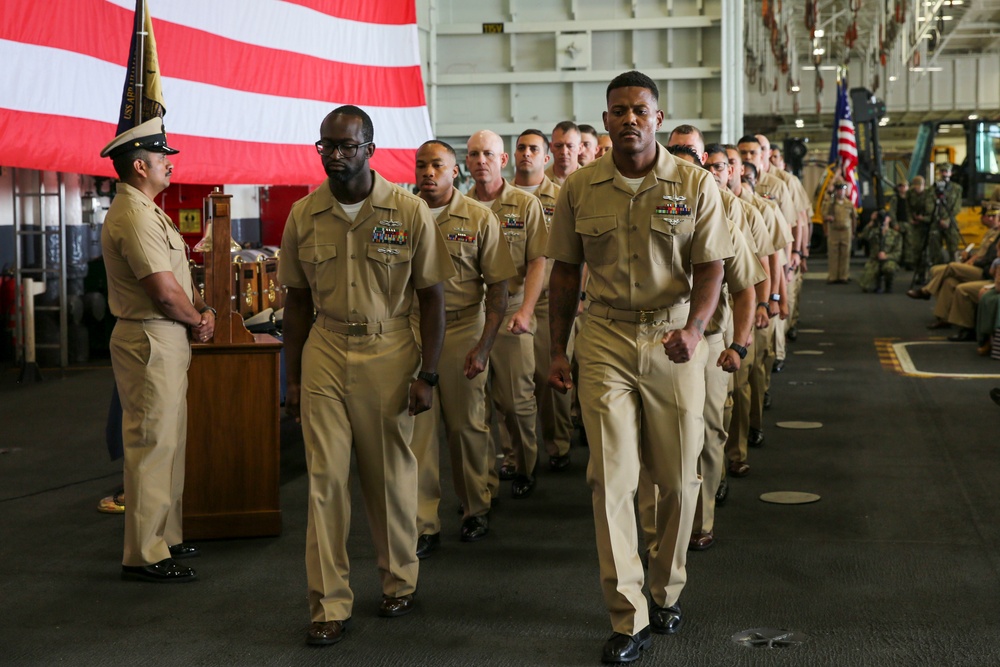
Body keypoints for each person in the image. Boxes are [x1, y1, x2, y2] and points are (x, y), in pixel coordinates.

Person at [547, 70, 733, 664]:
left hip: (672, 336)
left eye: (640, 110)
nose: (630, 119)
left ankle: (665, 587)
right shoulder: (579, 189)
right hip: (602, 337)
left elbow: (711, 269)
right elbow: (564, 274)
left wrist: (697, 330)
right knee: (611, 482)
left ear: (657, 117)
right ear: (605, 121)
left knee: (678, 479)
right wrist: (558, 349)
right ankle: (628, 615)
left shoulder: (694, 184)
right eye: (618, 110)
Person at [279, 105, 454, 646]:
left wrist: (428, 372)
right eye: (326, 145)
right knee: (325, 483)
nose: (334, 155)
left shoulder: (408, 210)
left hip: (390, 350)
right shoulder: (303, 214)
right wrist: (291, 378)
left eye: (346, 146)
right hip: (325, 351)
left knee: (388, 478)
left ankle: (398, 579)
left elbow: (432, 299)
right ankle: (328, 604)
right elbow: (296, 303)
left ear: (369, 150)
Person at [100, 116, 214, 583]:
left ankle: (165, 535)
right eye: (163, 157)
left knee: (171, 440)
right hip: (150, 336)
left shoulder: (149, 209)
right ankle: (144, 554)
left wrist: (200, 310)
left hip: (166, 336)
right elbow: (164, 293)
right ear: (141, 166)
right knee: (151, 443)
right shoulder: (132, 214)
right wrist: (199, 320)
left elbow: (179, 281)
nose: (170, 164)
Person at [410, 140, 516, 557]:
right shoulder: (401, 214)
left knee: (465, 426)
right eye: (421, 165)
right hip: (413, 332)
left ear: (456, 172)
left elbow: (498, 290)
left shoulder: (478, 218)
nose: (428, 172)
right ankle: (423, 521)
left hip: (462, 330)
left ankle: (475, 507)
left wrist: (484, 346)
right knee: (416, 432)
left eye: (437, 165)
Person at [466, 130, 549, 499]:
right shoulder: (458, 206)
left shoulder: (524, 204)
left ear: (502, 161)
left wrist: (527, 311)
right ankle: (482, 482)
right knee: (474, 407)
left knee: (517, 401)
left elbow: (537, 261)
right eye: (473, 155)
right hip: (471, 314)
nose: (480, 161)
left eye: (488, 154)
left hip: (513, 310)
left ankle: (525, 463)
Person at [512, 129, 573, 472]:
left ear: (545, 157)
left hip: (552, 300)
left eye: (534, 148)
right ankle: (514, 453)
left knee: (551, 378)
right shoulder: (500, 197)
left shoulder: (562, 196)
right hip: (511, 299)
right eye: (521, 148)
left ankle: (558, 444)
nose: (526, 154)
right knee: (513, 385)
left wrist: (577, 296)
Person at [907, 204, 1000, 334]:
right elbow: (985, 255)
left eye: (994, 216)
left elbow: (991, 260)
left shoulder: (998, 236)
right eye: (989, 215)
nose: (990, 219)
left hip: (986, 272)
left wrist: (974, 262)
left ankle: (927, 290)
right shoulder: (992, 232)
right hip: (982, 267)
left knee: (951, 268)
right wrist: (971, 257)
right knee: (949, 280)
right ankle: (943, 317)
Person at [925, 162, 964, 266]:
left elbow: (957, 206)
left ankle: (955, 269)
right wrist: (939, 219)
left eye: (946, 171)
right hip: (936, 222)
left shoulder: (957, 189)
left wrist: (947, 219)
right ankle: (938, 270)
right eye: (942, 171)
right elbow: (929, 207)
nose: (944, 174)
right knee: (935, 249)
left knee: (953, 248)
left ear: (950, 173)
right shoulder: (932, 189)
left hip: (950, 221)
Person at [823, 179, 857, 283]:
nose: (840, 192)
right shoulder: (830, 204)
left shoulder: (849, 204)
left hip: (846, 232)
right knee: (833, 255)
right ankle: (833, 276)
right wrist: (828, 220)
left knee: (845, 254)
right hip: (834, 231)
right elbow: (824, 216)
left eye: (842, 189)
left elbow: (854, 218)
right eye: (838, 190)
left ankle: (843, 276)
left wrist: (853, 232)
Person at [858, 211, 903, 293]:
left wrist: (886, 256)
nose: (883, 220)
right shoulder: (874, 232)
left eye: (885, 217)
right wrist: (871, 221)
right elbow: (863, 236)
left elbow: (898, 253)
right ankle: (876, 283)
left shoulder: (895, 235)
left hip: (888, 260)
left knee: (889, 268)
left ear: (889, 219)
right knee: (865, 286)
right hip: (874, 260)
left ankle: (888, 284)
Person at [908, 175, 932, 282]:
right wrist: (910, 219)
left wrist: (924, 218)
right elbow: (907, 207)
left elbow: (933, 212)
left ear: (924, 185)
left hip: (929, 224)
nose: (917, 188)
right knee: (917, 250)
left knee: (930, 252)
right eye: (915, 186)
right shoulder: (910, 194)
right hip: (916, 225)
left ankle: (931, 276)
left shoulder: (930, 194)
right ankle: (920, 274)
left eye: (919, 186)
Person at [545, 121, 581, 185]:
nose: (564, 152)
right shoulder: (541, 181)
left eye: (570, 146)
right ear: (551, 147)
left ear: (580, 148)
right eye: (558, 146)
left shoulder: (590, 179)